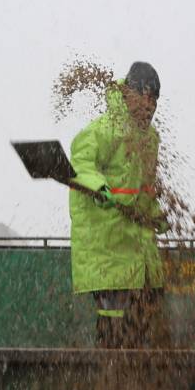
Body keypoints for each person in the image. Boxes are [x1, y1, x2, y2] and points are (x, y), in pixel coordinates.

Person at [68, 61, 168, 347]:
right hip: (108, 248)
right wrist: (100, 188)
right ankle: (111, 380)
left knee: (142, 325)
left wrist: (157, 215)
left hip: (139, 249)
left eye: (154, 99)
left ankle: (128, 382)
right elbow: (81, 165)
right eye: (144, 96)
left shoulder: (151, 139)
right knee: (115, 326)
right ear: (127, 92)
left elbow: (145, 190)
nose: (149, 105)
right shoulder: (103, 130)